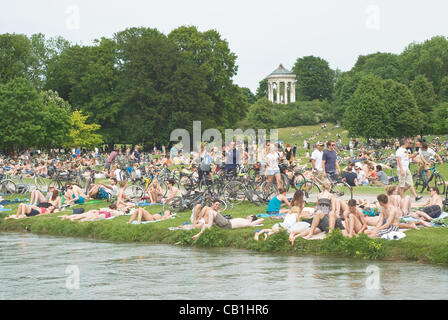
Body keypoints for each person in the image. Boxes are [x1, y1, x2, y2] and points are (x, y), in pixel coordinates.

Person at [192, 200, 265, 240]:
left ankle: (209, 226)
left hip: (227, 224)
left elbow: (262, 219)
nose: (248, 215)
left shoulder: (249, 223)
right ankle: (199, 234)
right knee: (205, 224)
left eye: (250, 215)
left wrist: (254, 220)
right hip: (226, 223)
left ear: (251, 217)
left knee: (211, 211)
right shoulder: (246, 221)